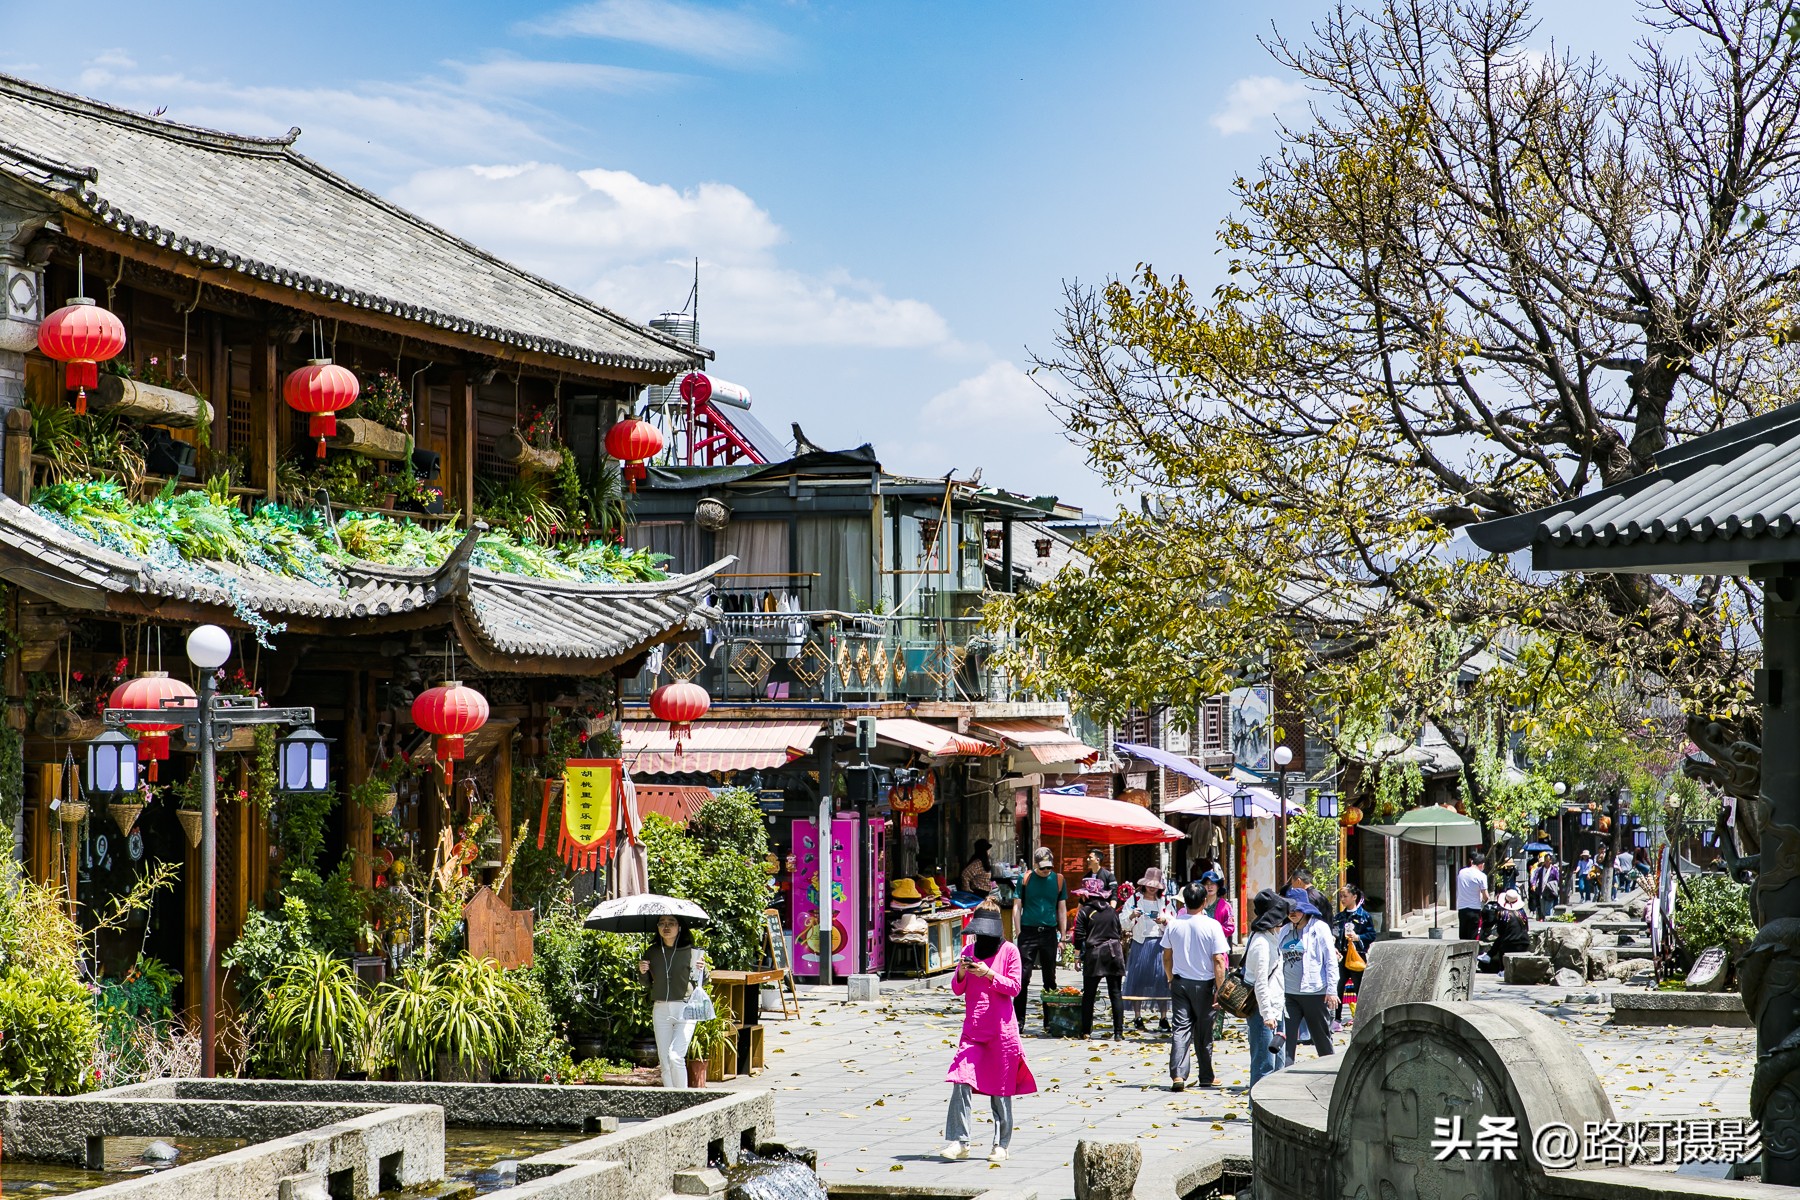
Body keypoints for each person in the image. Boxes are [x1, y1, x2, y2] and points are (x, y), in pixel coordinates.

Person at [942, 904, 1037, 1164]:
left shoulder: (1010, 951)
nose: (981, 939)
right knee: (960, 1080)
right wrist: (962, 971)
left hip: (1001, 1032)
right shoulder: (968, 951)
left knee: (1001, 1090)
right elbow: (957, 989)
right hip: (973, 1030)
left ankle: (1001, 1144)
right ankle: (959, 1141)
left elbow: (1015, 987)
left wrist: (990, 973)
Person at [1162, 882, 1230, 1091]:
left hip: (1180, 983)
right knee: (1203, 1032)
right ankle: (1206, 1075)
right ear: (1203, 902)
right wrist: (1220, 989)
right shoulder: (1212, 925)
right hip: (1205, 984)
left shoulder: (1174, 924)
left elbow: (1166, 955)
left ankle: (1178, 1075)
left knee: (1180, 1029)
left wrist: (1170, 977)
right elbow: (1218, 959)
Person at [638, 914, 705, 1089]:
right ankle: (669, 1101)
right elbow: (645, 984)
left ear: (679, 927)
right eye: (662, 923)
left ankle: (683, 1099)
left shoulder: (692, 951)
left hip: (686, 1008)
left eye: (671, 923)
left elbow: (703, 981)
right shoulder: (652, 952)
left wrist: (702, 970)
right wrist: (643, 971)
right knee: (665, 1061)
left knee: (676, 1056)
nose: (666, 927)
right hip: (661, 1008)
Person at [1279, 897, 1339, 1064]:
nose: (1292, 913)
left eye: (1296, 910)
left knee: (1321, 1037)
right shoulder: (1285, 930)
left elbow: (1330, 960)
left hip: (1314, 992)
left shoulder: (1319, 928)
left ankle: (1329, 1070)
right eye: (1289, 910)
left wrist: (1332, 990)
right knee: (1286, 1037)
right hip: (1289, 993)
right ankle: (1284, 1073)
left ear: (1305, 910)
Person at [1011, 848, 1068, 1024]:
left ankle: (1050, 1019)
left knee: (1049, 977)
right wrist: (1019, 931)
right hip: (1028, 931)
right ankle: (1018, 1020)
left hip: (1049, 932)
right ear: (1036, 864)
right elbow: (1017, 906)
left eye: (1049, 867)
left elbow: (1062, 909)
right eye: (1043, 868)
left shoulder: (1058, 880)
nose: (1046, 871)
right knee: (1022, 976)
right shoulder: (1025, 878)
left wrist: (1063, 937)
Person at [1243, 889, 1290, 1086]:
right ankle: (1256, 1112)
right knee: (1264, 1066)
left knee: (1279, 1065)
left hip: (1276, 1008)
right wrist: (1267, 1015)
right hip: (1264, 1012)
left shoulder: (1270, 937)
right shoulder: (1261, 943)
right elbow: (1260, 982)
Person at [1073, 879, 1126, 1039]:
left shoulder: (1084, 911)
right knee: (1115, 993)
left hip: (1094, 954)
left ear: (1085, 896)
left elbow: (1079, 936)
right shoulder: (1111, 910)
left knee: (1089, 994)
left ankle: (1086, 1031)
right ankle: (1118, 1032)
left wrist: (1077, 956)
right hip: (1114, 953)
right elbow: (1118, 930)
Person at [1122, 868, 1173, 1030]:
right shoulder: (1134, 900)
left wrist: (1164, 920)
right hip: (1140, 942)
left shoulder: (1165, 901)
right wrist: (1132, 916)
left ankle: (1163, 1017)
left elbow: (1174, 921)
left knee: (1162, 981)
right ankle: (1137, 1017)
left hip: (1160, 944)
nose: (1152, 888)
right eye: (1149, 885)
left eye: (1155, 885)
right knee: (1137, 981)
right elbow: (1122, 922)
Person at [1333, 884, 1374, 1019]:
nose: (1342, 899)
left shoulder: (1364, 916)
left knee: (1359, 987)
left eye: (1345, 896)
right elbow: (1334, 933)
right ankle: (1337, 1018)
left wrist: (1358, 938)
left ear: (1354, 897)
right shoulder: (1339, 917)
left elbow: (1371, 935)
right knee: (1339, 987)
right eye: (1341, 897)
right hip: (1341, 955)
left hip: (1357, 955)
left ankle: (1362, 1017)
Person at [1482, 888, 1531, 974]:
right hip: (1524, 943)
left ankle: (1494, 961)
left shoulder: (1502, 914)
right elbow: (1526, 928)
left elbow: (1500, 932)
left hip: (1509, 944)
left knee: (1502, 939)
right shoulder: (1522, 913)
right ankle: (1489, 956)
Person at [1456, 851, 1490, 940]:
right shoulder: (1481, 876)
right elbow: (1485, 896)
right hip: (1474, 909)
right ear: (1481, 864)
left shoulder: (1461, 872)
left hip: (1462, 908)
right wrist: (1484, 901)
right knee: (1473, 936)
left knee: (1463, 935)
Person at [1199, 870, 1236, 941]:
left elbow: (1230, 928)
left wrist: (1213, 928)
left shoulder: (1225, 906)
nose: (1209, 886)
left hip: (1218, 943)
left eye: (1212, 883)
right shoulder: (1198, 903)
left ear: (1218, 886)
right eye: (1206, 884)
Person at [1528, 853, 1560, 921]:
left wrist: (1553, 886)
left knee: (1548, 909)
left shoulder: (1554, 870)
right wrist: (1533, 884)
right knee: (1543, 909)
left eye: (1548, 861)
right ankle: (1546, 920)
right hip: (1541, 891)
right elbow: (1535, 877)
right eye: (1545, 860)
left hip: (1550, 892)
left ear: (1551, 861)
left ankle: (1548, 923)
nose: (1546, 862)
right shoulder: (1540, 869)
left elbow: (1557, 880)